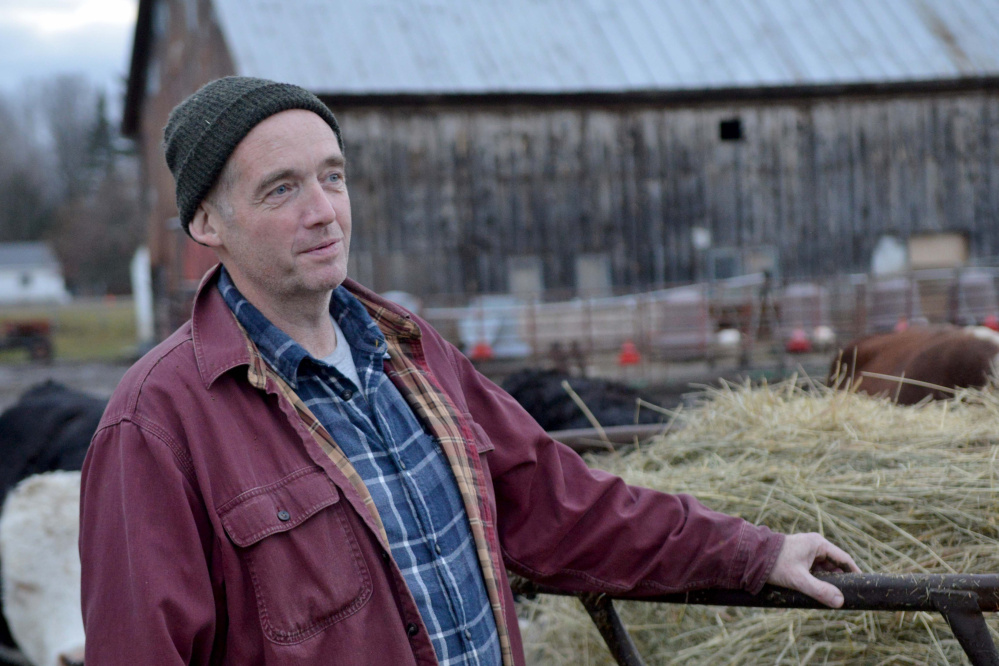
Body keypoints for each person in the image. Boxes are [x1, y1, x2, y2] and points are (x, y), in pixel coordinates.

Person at [79, 77, 858, 666]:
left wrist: (753, 553)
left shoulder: (411, 355)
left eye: (333, 175)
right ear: (207, 223)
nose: (323, 210)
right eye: (281, 189)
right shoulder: (156, 424)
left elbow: (564, 506)